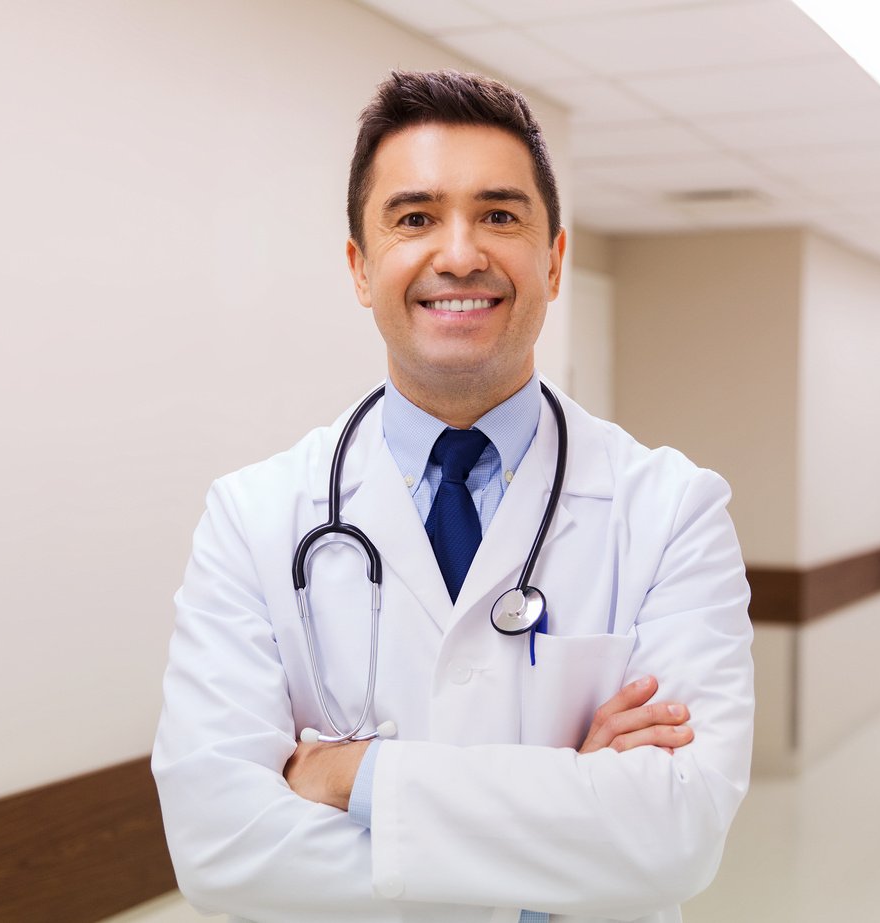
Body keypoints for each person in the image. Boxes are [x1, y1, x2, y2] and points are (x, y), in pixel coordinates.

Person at [153, 69, 753, 923]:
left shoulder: (672, 511)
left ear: (553, 260)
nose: (461, 252)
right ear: (362, 269)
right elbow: (220, 846)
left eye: (500, 215)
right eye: (416, 217)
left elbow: (676, 832)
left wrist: (349, 775)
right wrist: (569, 819)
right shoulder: (251, 518)